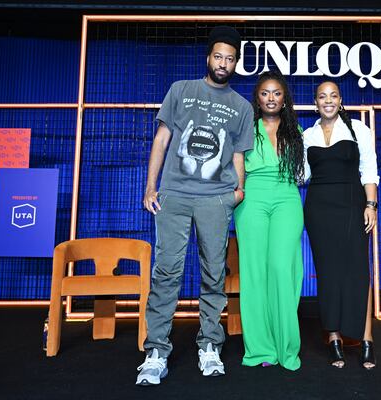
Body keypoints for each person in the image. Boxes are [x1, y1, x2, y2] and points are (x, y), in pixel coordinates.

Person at [136, 26, 254, 386]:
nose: (223, 63)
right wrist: (151, 186)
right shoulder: (181, 90)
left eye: (230, 58)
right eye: (218, 56)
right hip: (174, 195)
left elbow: (238, 155)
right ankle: (156, 351)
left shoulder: (241, 106)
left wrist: (238, 192)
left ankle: (209, 346)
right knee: (166, 272)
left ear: (236, 62)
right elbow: (162, 138)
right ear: (208, 57)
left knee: (213, 274)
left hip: (216, 200)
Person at [302, 81, 379, 370]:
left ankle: (367, 339)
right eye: (322, 96)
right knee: (328, 272)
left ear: (341, 99)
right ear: (316, 102)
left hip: (352, 205)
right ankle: (333, 337)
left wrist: (370, 205)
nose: (328, 100)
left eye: (333, 95)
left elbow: (369, 169)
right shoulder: (308, 135)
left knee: (359, 271)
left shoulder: (358, 129)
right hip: (319, 209)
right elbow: (302, 175)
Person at [234, 70, 305, 371]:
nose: (271, 98)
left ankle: (286, 346)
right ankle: (261, 348)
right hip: (252, 198)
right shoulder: (246, 127)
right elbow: (235, 164)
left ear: (284, 98)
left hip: (288, 197)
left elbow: (302, 174)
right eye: (265, 93)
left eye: (277, 93)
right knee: (253, 272)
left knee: (282, 268)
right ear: (258, 98)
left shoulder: (296, 130)